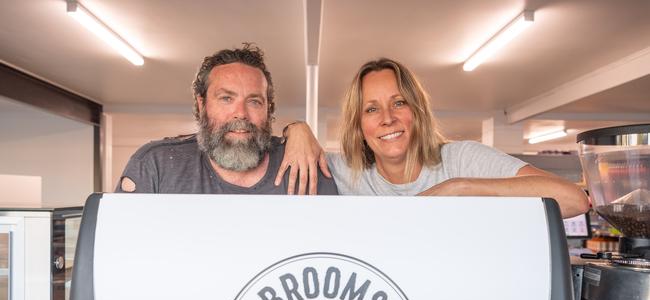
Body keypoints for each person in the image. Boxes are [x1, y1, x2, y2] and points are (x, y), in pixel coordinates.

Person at [279, 57, 588, 218]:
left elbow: (574, 201)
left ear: (417, 111)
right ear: (359, 126)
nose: (388, 118)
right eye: (371, 109)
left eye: (399, 102)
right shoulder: (343, 171)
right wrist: (297, 128)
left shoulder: (462, 160)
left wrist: (460, 188)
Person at [116, 44, 337, 195]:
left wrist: (298, 127)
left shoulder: (305, 168)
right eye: (226, 98)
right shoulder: (156, 165)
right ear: (202, 104)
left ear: (268, 108)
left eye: (254, 101)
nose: (240, 113)